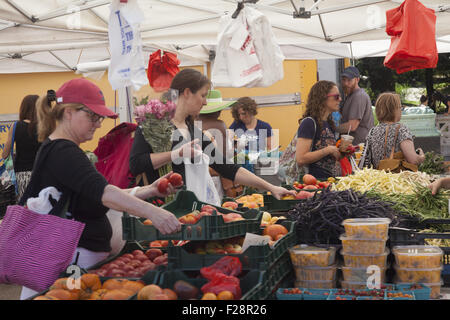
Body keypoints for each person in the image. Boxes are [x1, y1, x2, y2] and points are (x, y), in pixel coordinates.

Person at [19, 78, 181, 299]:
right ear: (68, 113)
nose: (98, 123)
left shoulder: (62, 149)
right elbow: (104, 194)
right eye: (92, 116)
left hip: (75, 262)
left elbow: (97, 191)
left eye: (100, 118)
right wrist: (154, 212)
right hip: (71, 265)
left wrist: (149, 190)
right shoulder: (63, 151)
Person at [129, 68, 294, 200]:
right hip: (159, 211)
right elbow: (136, 164)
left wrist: (270, 187)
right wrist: (176, 154)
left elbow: (228, 168)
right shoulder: (153, 125)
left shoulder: (193, 130)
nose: (205, 102)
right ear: (187, 93)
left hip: (188, 211)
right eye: (202, 95)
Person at [362, 92, 425, 169]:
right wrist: (422, 156)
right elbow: (413, 160)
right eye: (400, 108)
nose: (401, 111)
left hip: (377, 178)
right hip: (396, 179)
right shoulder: (401, 129)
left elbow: (367, 160)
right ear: (394, 110)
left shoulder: (372, 131)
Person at [295, 80, 342, 180]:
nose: (340, 99)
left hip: (328, 182)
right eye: (336, 97)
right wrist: (328, 150)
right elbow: (301, 158)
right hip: (314, 185)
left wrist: (342, 151)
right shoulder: (309, 123)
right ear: (323, 98)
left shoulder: (329, 123)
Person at [2, 95, 41, 200]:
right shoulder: (44, 127)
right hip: (41, 174)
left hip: (22, 176)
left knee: (25, 210)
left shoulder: (16, 126)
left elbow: (5, 154)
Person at [337, 66, 374, 145]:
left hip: (359, 149)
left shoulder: (359, 96)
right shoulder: (350, 95)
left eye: (349, 80)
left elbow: (352, 126)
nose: (346, 83)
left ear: (357, 80)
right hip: (351, 147)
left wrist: (332, 128)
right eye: (343, 80)